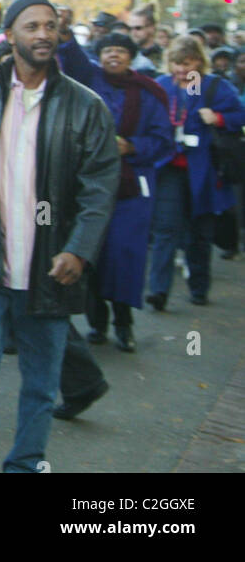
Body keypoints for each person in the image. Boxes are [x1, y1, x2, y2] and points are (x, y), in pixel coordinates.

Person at [0, 0, 120, 472]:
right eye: (32, 26)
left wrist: (78, 249)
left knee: (40, 380)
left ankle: (25, 464)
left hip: (51, 268)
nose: (43, 34)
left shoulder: (86, 105)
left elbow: (99, 188)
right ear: (10, 34)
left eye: (50, 26)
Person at [57, 31, 174, 351]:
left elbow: (164, 140)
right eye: (108, 50)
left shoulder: (149, 92)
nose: (114, 56)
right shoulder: (87, 81)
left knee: (123, 255)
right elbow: (71, 58)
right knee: (91, 253)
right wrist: (66, 36)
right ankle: (98, 324)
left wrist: (131, 146)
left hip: (131, 186)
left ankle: (124, 324)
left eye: (121, 51)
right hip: (88, 183)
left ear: (130, 57)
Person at [146, 36, 245, 308]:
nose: (181, 69)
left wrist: (220, 118)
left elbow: (240, 114)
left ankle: (199, 287)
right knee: (165, 229)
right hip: (169, 168)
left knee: (199, 232)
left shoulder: (215, 86)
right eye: (177, 63)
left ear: (199, 62)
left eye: (187, 63)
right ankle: (159, 291)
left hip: (205, 170)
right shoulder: (162, 85)